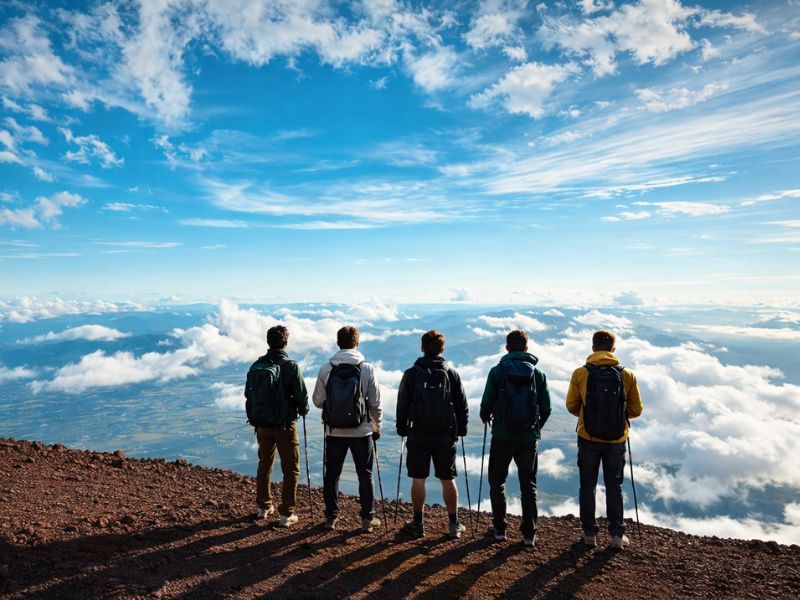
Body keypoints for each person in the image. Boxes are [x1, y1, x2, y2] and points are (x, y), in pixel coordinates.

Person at [566, 329, 643, 550]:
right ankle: (617, 535)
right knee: (614, 485)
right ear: (613, 349)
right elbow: (636, 409)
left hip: (587, 436)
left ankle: (589, 534)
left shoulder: (581, 373)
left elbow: (572, 405)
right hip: (617, 439)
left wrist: (588, 417)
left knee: (587, 484)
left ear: (593, 348)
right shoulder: (627, 375)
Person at [479, 330, 551, 547]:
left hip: (502, 435)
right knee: (528, 485)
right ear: (526, 348)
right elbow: (546, 409)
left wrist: (487, 419)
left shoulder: (496, 372)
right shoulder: (538, 375)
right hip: (528, 438)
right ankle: (529, 534)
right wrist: (534, 428)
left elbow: (486, 405)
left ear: (507, 347)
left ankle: (499, 529)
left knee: (497, 481)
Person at [396, 330, 469, 539]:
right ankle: (454, 524)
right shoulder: (450, 373)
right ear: (442, 349)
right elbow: (462, 405)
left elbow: (402, 405)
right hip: (444, 435)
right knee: (448, 478)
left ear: (422, 348)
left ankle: (418, 524)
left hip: (418, 433)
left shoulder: (411, 374)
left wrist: (402, 428)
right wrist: (461, 430)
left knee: (418, 479)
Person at [312, 326, 383, 532]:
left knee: (332, 474)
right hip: (362, 432)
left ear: (338, 343)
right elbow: (375, 403)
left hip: (334, 431)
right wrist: (376, 427)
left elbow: (318, 401)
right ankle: (367, 519)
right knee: (365, 474)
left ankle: (331, 517)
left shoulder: (327, 368)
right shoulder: (367, 368)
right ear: (357, 343)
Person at [244, 325, 310, 528]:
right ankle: (287, 513)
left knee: (264, 465)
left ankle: (263, 507)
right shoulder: (291, 366)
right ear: (286, 342)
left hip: (262, 425)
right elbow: (301, 396)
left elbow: (248, 394)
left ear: (268, 342)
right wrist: (303, 409)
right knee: (291, 469)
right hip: (284, 426)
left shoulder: (257, 365)